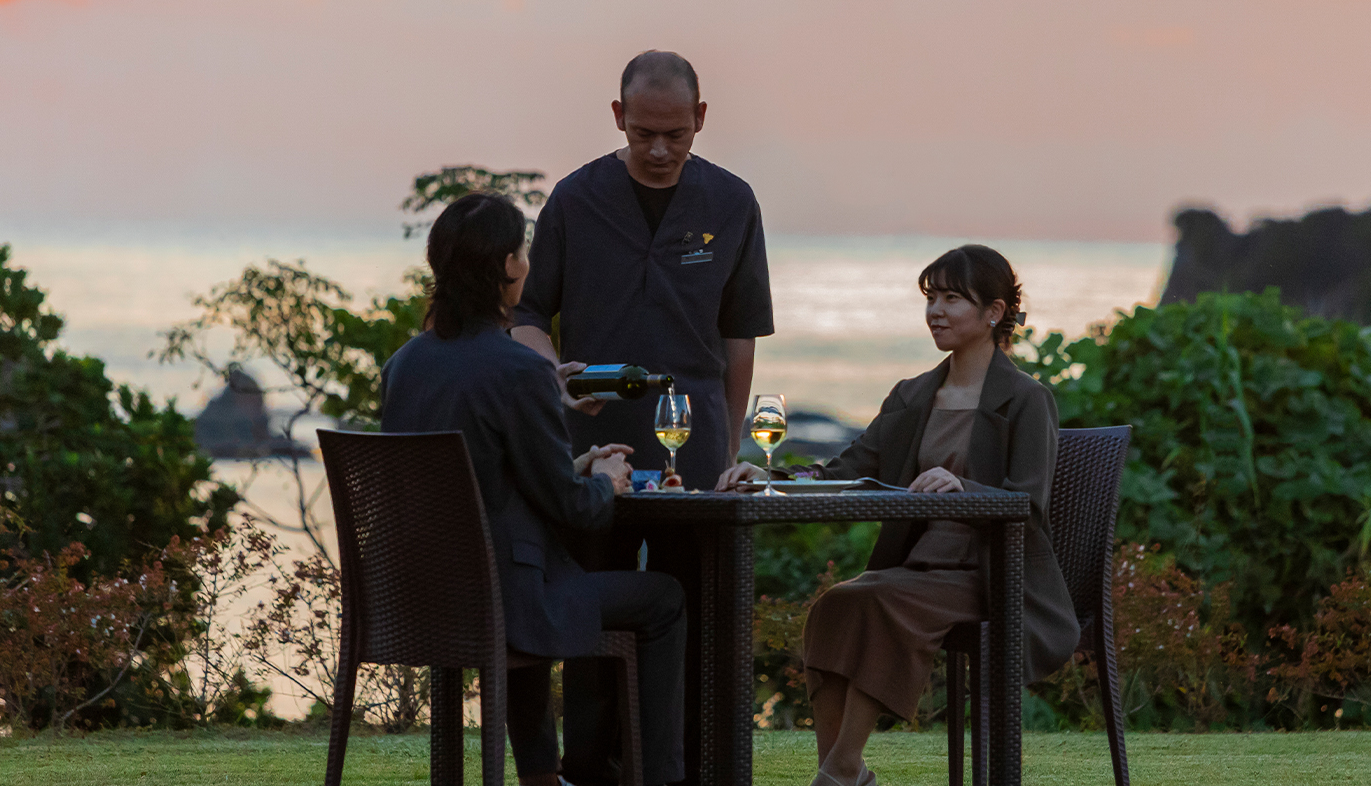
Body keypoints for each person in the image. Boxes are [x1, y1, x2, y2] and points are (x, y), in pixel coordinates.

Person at [718, 245, 1080, 786]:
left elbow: (1026, 502)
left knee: (878, 602)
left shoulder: (1028, 400)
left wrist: (963, 486)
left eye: (952, 298)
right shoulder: (912, 395)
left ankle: (839, 772)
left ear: (994, 313)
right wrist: (769, 477)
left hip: (993, 574)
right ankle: (842, 769)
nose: (935, 311)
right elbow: (848, 468)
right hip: (919, 567)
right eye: (931, 298)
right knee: (834, 606)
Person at [512, 49, 774, 786]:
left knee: (691, 609)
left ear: (700, 119)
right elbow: (529, 313)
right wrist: (548, 375)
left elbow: (739, 333)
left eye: (675, 135)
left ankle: (684, 767)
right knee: (589, 612)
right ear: (619, 118)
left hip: (696, 453)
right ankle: (591, 768)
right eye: (644, 134)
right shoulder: (574, 198)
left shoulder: (731, 202)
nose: (659, 151)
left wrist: (731, 443)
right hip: (592, 452)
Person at [381, 192, 687, 786]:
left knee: (518, 565)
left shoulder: (404, 365)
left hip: (419, 597)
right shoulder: (519, 370)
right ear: (508, 267)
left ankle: (542, 777)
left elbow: (477, 479)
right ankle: (663, 778)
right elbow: (575, 512)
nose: (526, 261)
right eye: (522, 250)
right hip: (505, 602)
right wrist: (603, 480)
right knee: (664, 598)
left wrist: (574, 464)